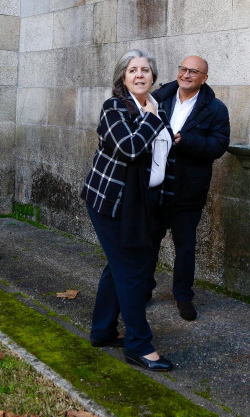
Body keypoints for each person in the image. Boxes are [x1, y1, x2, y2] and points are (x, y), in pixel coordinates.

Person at [81, 49, 174, 372]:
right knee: (133, 272)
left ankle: (103, 331)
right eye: (132, 70)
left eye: (145, 70)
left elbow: (157, 153)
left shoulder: (157, 108)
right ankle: (139, 346)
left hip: (141, 204)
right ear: (123, 77)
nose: (139, 74)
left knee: (118, 267)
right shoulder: (115, 108)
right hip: (111, 202)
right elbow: (131, 147)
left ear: (153, 77)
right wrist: (152, 119)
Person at [149, 56, 230, 321]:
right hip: (158, 185)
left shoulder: (215, 109)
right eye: (183, 69)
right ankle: (144, 288)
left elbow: (218, 147)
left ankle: (183, 296)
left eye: (193, 71)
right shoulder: (157, 99)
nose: (186, 74)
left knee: (185, 247)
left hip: (188, 189)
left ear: (204, 78)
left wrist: (186, 141)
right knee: (149, 241)